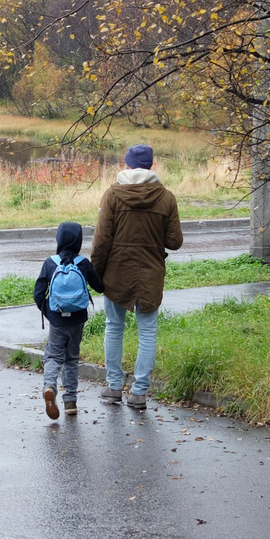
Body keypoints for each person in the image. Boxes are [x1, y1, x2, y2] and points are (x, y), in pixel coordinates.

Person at [90, 143, 183, 409]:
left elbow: (101, 241)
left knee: (114, 328)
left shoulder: (113, 195)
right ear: (152, 166)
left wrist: (95, 275)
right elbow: (174, 242)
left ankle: (114, 386)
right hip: (151, 275)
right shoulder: (166, 198)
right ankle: (139, 392)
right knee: (148, 333)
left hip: (116, 274)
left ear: (127, 165)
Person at [31, 221, 93, 421]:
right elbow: (100, 286)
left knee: (53, 357)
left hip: (57, 319)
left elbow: (38, 293)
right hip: (78, 319)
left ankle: (49, 387)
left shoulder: (50, 263)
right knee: (71, 359)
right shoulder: (83, 263)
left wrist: (49, 312)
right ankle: (70, 403)